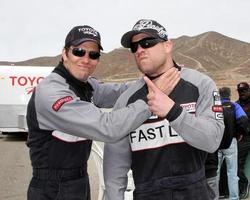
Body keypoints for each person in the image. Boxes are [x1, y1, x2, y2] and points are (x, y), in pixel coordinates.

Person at [26, 25, 178, 200]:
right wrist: (153, 98)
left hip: (79, 181)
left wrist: (155, 79)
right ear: (65, 53)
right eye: (79, 51)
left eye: (93, 54)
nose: (86, 59)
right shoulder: (52, 92)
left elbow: (119, 92)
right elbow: (108, 127)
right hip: (51, 188)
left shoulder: (85, 86)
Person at [103, 19, 224, 200]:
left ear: (167, 45)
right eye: (134, 47)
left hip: (195, 191)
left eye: (147, 43)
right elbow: (115, 167)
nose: (140, 50)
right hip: (147, 192)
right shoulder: (126, 100)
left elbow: (212, 141)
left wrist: (173, 112)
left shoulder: (201, 84)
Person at [216, 87, 249, 200]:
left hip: (217, 144)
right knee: (232, 173)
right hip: (231, 143)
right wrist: (240, 133)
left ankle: (214, 196)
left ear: (219, 96)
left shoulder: (215, 107)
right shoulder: (235, 106)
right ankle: (234, 198)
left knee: (215, 173)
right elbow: (244, 120)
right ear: (229, 95)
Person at [236, 82, 250, 199]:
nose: (242, 93)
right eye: (240, 91)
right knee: (238, 163)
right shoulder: (236, 105)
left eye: (244, 91)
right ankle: (243, 186)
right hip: (244, 139)